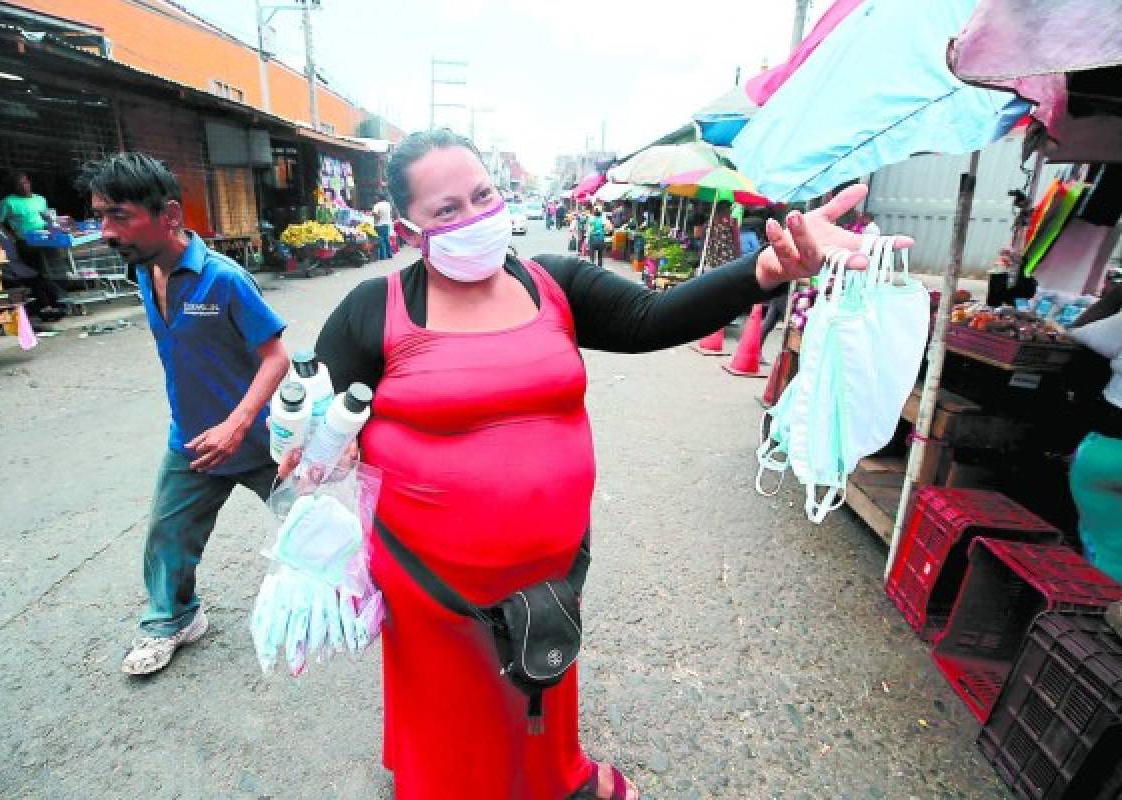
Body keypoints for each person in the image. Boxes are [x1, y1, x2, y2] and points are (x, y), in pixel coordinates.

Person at [289, 129, 904, 799]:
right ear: (409, 231)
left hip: (550, 567)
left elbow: (649, 318)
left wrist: (766, 271)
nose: (475, 218)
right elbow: (312, 425)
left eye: (483, 195)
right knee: (450, 705)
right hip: (430, 578)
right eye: (447, 210)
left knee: (542, 681)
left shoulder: (552, 283)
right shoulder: (369, 312)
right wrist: (312, 450)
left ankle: (557, 779)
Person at [78, 152, 289, 676]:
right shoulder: (144, 273)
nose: (106, 231)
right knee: (169, 536)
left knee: (315, 526)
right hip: (192, 440)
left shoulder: (224, 280)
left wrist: (237, 424)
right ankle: (173, 620)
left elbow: (276, 357)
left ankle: (362, 605)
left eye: (120, 217)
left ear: (170, 216)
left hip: (262, 441)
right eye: (102, 216)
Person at [1066, 283, 1122, 583]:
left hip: (1111, 436)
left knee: (1104, 535)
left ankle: (1101, 588)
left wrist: (1115, 297)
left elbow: (1080, 333)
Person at [372, 192, 393, 260]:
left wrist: (377, 218)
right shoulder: (388, 204)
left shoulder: (377, 205)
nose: (375, 198)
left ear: (379, 198)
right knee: (386, 239)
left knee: (381, 240)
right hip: (387, 224)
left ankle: (383, 256)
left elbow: (374, 213)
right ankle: (389, 254)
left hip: (379, 225)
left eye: (376, 197)